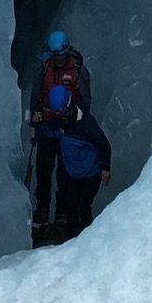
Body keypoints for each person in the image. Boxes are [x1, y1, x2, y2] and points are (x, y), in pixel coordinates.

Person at [28, 30, 91, 233]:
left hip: (67, 130)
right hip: (47, 128)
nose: (58, 61)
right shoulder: (44, 67)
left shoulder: (79, 71)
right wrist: (34, 120)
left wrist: (73, 116)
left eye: (61, 56)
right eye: (55, 57)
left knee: (65, 174)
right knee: (44, 170)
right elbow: (35, 95)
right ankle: (42, 208)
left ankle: (63, 212)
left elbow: (85, 103)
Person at [49, 85, 112, 238]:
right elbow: (51, 125)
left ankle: (88, 239)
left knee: (83, 206)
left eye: (61, 111)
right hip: (73, 172)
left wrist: (105, 168)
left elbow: (103, 144)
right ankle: (71, 239)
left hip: (91, 173)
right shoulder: (60, 121)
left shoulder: (87, 124)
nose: (58, 114)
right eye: (56, 111)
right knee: (70, 205)